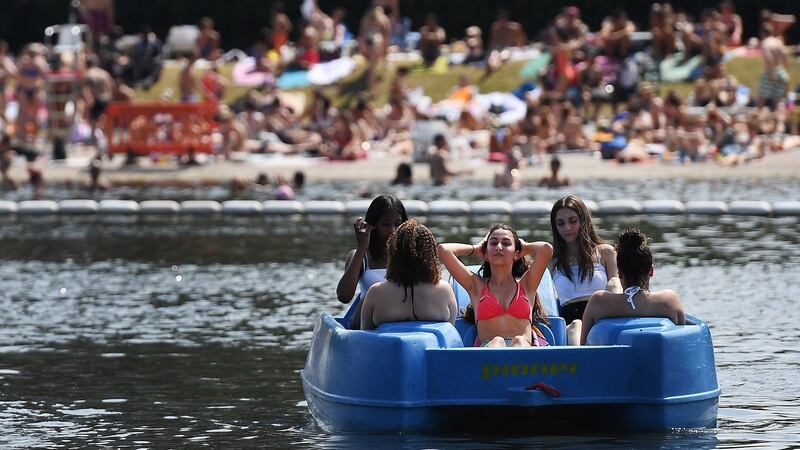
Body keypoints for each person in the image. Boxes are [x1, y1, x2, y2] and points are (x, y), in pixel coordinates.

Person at [438, 224, 553, 347]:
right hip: (490, 356)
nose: (499, 247)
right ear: (486, 254)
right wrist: (476, 248)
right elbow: (443, 250)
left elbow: (546, 249)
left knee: (519, 340)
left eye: (506, 243)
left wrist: (523, 247)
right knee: (497, 341)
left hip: (524, 352)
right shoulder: (476, 287)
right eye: (493, 243)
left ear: (516, 254)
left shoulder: (527, 285)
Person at [580, 228, 685, 345]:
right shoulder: (669, 301)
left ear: (619, 272)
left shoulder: (598, 301)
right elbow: (683, 343)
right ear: (651, 271)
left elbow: (583, 347)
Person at [549, 195, 622, 345]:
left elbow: (618, 284)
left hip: (603, 318)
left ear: (584, 220)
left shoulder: (605, 252)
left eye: (573, 221)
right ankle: (581, 363)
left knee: (614, 282)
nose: (567, 228)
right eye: (560, 223)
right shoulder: (552, 261)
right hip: (571, 323)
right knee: (577, 325)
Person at [360, 220, 457, 330]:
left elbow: (366, 336)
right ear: (431, 255)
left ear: (393, 253)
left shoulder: (375, 292)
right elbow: (450, 333)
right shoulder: (444, 290)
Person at [336, 194, 408, 329]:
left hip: (404, 322)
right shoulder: (362, 257)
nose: (392, 230)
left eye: (397, 224)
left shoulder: (410, 255)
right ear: (373, 225)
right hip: (369, 325)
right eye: (385, 224)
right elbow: (344, 296)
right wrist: (362, 247)